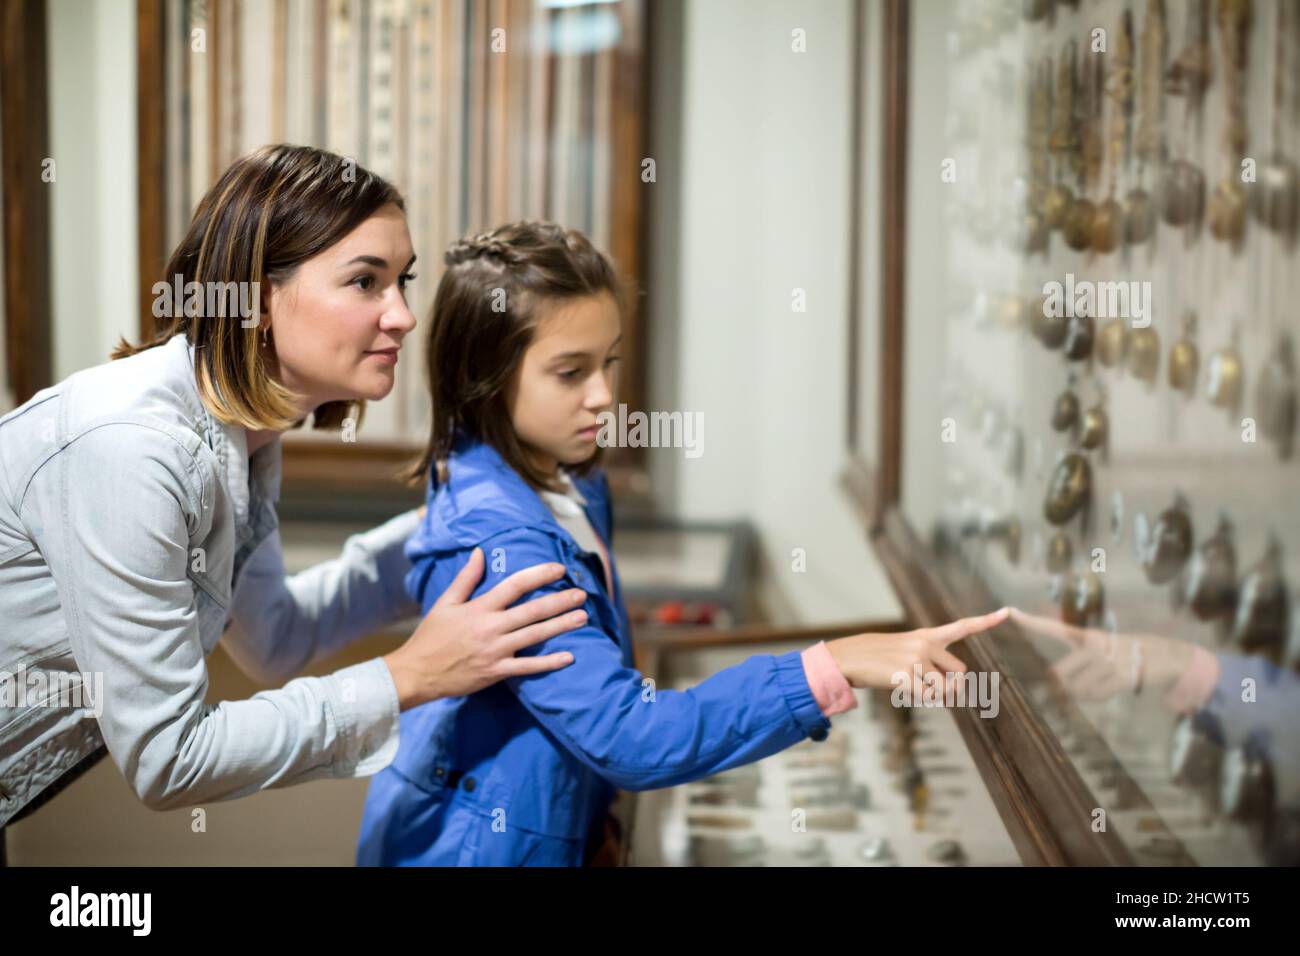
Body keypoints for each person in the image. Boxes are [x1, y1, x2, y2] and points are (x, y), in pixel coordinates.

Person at [355, 221, 1010, 866]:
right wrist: (832, 665)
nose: (604, 396)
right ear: (485, 376)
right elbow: (629, 736)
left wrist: (587, 819)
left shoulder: (570, 483)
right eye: (570, 372)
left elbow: (574, 717)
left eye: (607, 363)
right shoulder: (506, 547)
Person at [0, 146, 584, 844]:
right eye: (366, 282)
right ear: (260, 296)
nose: (402, 316)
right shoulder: (133, 449)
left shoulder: (247, 434)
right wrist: (410, 675)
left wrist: (450, 534)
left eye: (403, 281)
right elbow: (170, 760)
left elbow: (273, 638)